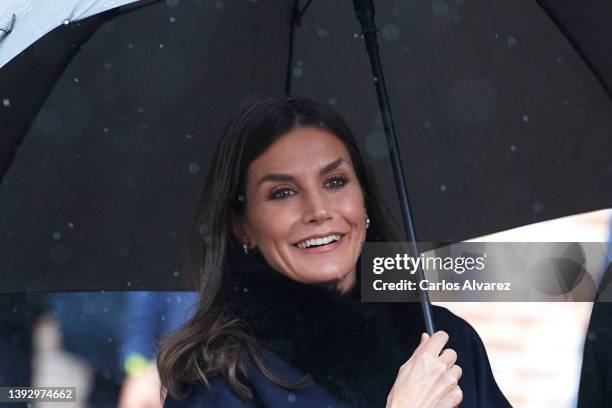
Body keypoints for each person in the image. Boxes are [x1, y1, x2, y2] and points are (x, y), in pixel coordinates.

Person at [158, 95, 511, 407]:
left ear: (364, 200)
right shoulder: (219, 378)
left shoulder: (444, 343)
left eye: (335, 182)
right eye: (283, 192)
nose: (318, 210)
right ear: (242, 226)